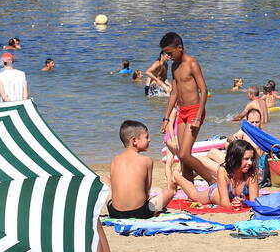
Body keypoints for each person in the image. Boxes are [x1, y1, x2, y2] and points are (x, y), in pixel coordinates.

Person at [159, 31, 209, 181]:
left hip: (195, 110)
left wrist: (198, 116)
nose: (168, 56)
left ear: (179, 47)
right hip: (182, 112)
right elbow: (174, 94)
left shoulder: (191, 63)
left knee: (184, 154)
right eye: (165, 54)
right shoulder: (174, 66)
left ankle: (212, 180)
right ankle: (190, 190)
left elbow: (204, 90)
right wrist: (166, 118)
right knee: (182, 156)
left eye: (169, 53)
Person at [107, 120, 174, 219]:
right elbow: (146, 191)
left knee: (105, 179)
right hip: (140, 213)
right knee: (170, 192)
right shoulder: (147, 160)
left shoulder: (114, 160)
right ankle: (154, 210)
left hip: (114, 213)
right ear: (134, 140)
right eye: (146, 137)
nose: (149, 140)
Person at [172, 138, 262, 210]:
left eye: (251, 159)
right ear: (235, 158)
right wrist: (234, 205)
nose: (250, 163)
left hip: (225, 189)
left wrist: (244, 202)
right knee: (194, 195)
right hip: (215, 193)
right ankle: (175, 175)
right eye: (246, 159)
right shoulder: (223, 171)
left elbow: (254, 201)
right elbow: (224, 203)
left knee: (211, 182)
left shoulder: (252, 173)